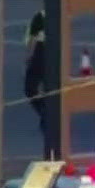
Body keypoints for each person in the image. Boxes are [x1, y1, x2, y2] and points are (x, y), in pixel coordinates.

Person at [22, 10, 57, 157]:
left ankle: (46, 114)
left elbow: (32, 38)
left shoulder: (41, 15)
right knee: (51, 88)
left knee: (31, 88)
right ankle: (48, 114)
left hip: (42, 51)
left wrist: (29, 55)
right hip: (52, 52)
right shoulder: (53, 13)